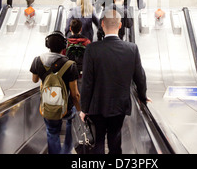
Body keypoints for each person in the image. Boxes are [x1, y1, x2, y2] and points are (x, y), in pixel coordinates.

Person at [79, 9, 148, 154]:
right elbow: (140, 77)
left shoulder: (92, 49)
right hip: (119, 105)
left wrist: (84, 108)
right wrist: (143, 97)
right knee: (115, 139)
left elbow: (87, 82)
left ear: (102, 24)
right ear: (120, 25)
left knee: (98, 141)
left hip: (96, 106)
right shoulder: (132, 49)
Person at [30, 31, 80, 154]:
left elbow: (34, 80)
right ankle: (67, 150)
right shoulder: (70, 65)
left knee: (52, 132)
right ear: (64, 46)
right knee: (72, 125)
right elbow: (75, 94)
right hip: (66, 107)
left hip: (48, 105)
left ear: (48, 44)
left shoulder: (38, 60)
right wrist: (79, 110)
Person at [62, 19, 91, 88]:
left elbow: (63, 57)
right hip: (82, 73)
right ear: (81, 29)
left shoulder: (66, 43)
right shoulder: (87, 42)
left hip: (69, 72)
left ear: (70, 28)